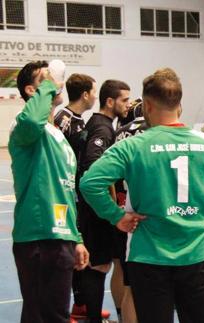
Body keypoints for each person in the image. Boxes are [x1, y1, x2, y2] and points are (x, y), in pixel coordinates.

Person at [80, 68, 204, 323]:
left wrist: (116, 217)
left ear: (146, 105)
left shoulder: (132, 146)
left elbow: (90, 182)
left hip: (148, 255)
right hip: (195, 255)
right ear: (179, 104)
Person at [10, 61, 89, 323]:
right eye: (44, 79)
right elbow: (32, 119)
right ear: (32, 90)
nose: (55, 81)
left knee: (54, 315)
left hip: (59, 236)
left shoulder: (55, 133)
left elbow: (64, 190)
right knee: (42, 317)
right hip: (39, 237)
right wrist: (48, 85)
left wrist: (75, 237)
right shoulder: (24, 127)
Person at [53, 73, 109, 321]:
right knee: (66, 249)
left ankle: (80, 303)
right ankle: (64, 308)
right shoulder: (63, 119)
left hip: (75, 194)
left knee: (79, 248)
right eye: (94, 91)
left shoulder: (79, 120)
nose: (95, 96)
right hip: (63, 195)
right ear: (85, 94)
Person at [77, 79, 130, 323]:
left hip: (90, 209)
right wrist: (110, 202)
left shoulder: (97, 123)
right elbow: (92, 166)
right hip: (96, 211)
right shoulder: (103, 128)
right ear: (110, 102)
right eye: (124, 100)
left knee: (97, 265)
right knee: (99, 267)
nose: (128, 105)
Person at [111, 98, 148, 323]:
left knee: (127, 277)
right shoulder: (155, 131)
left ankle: (121, 316)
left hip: (125, 207)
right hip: (151, 211)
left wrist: (114, 209)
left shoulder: (121, 132)